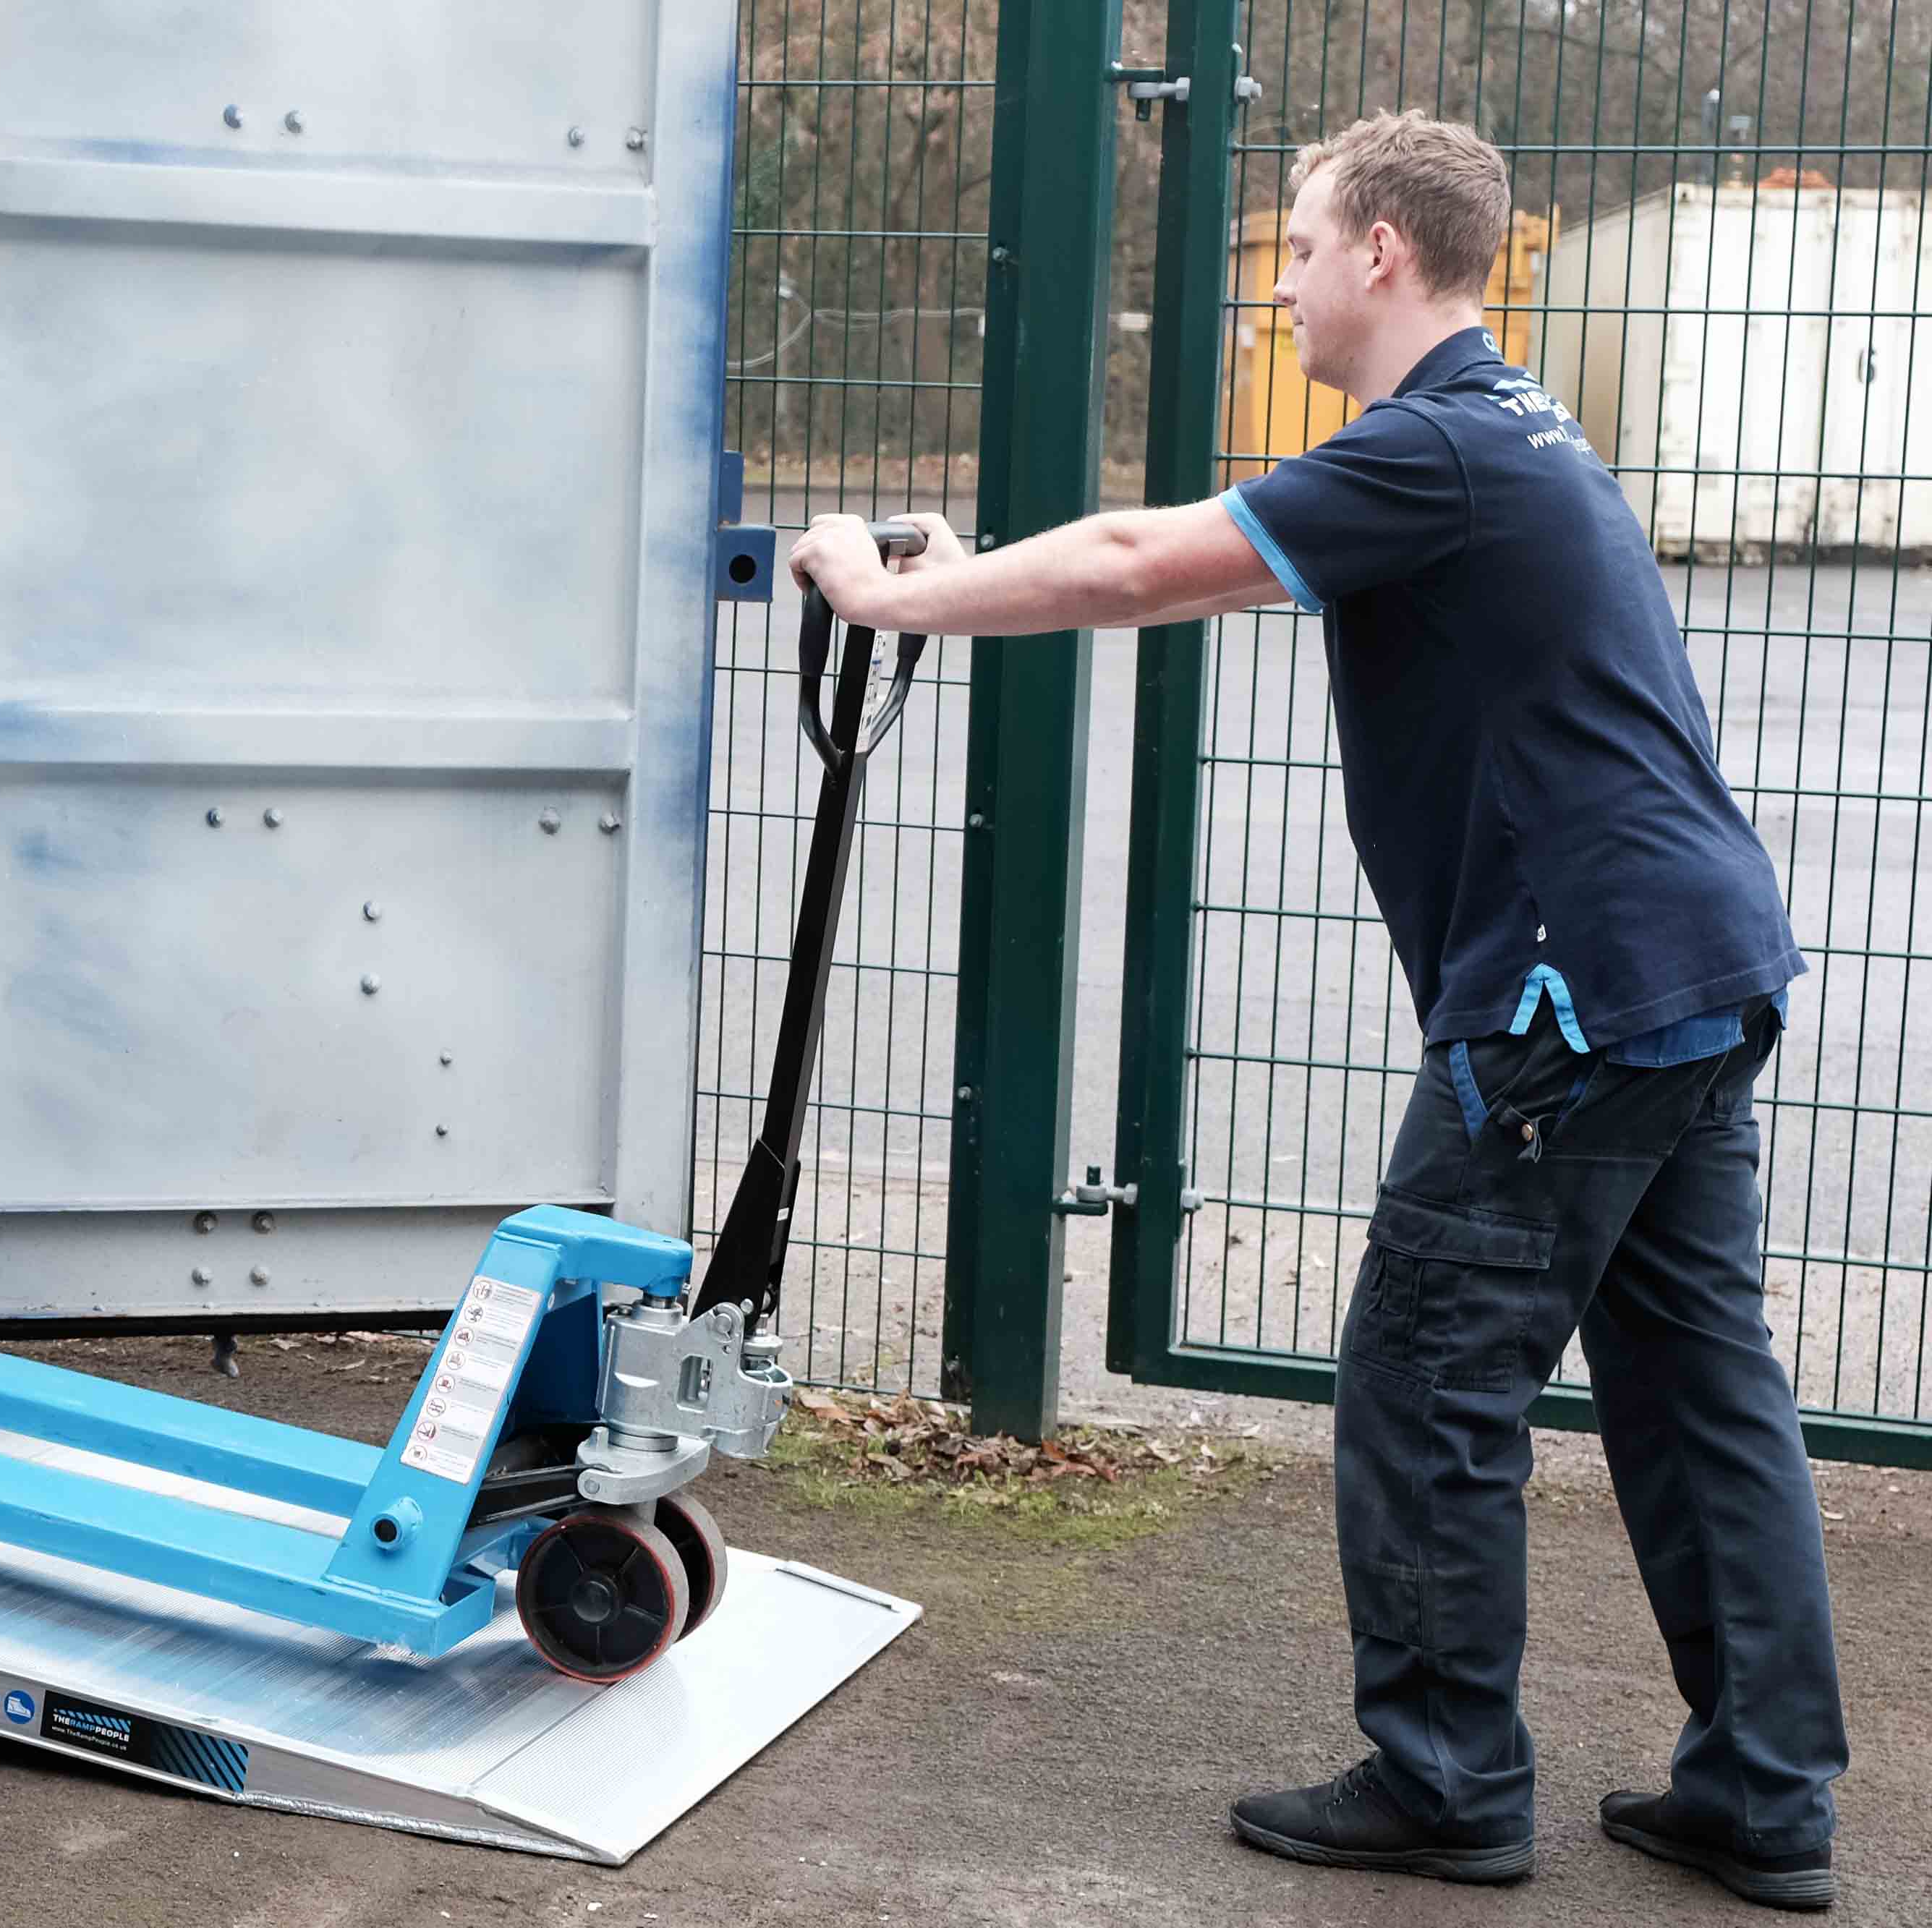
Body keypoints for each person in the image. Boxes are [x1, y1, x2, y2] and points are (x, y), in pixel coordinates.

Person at [787, 110, 1847, 1911]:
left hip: (1567, 995)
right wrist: (965, 560)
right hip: (1691, 964)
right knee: (1693, 1390)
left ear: (1380, 252)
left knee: (1427, 1382)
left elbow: (1136, 563)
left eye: (1290, 247)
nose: (1272, 286)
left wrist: (890, 593)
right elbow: (1151, 542)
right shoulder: (1505, 433)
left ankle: (1445, 1779)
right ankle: (1759, 1794)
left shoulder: (1435, 448)